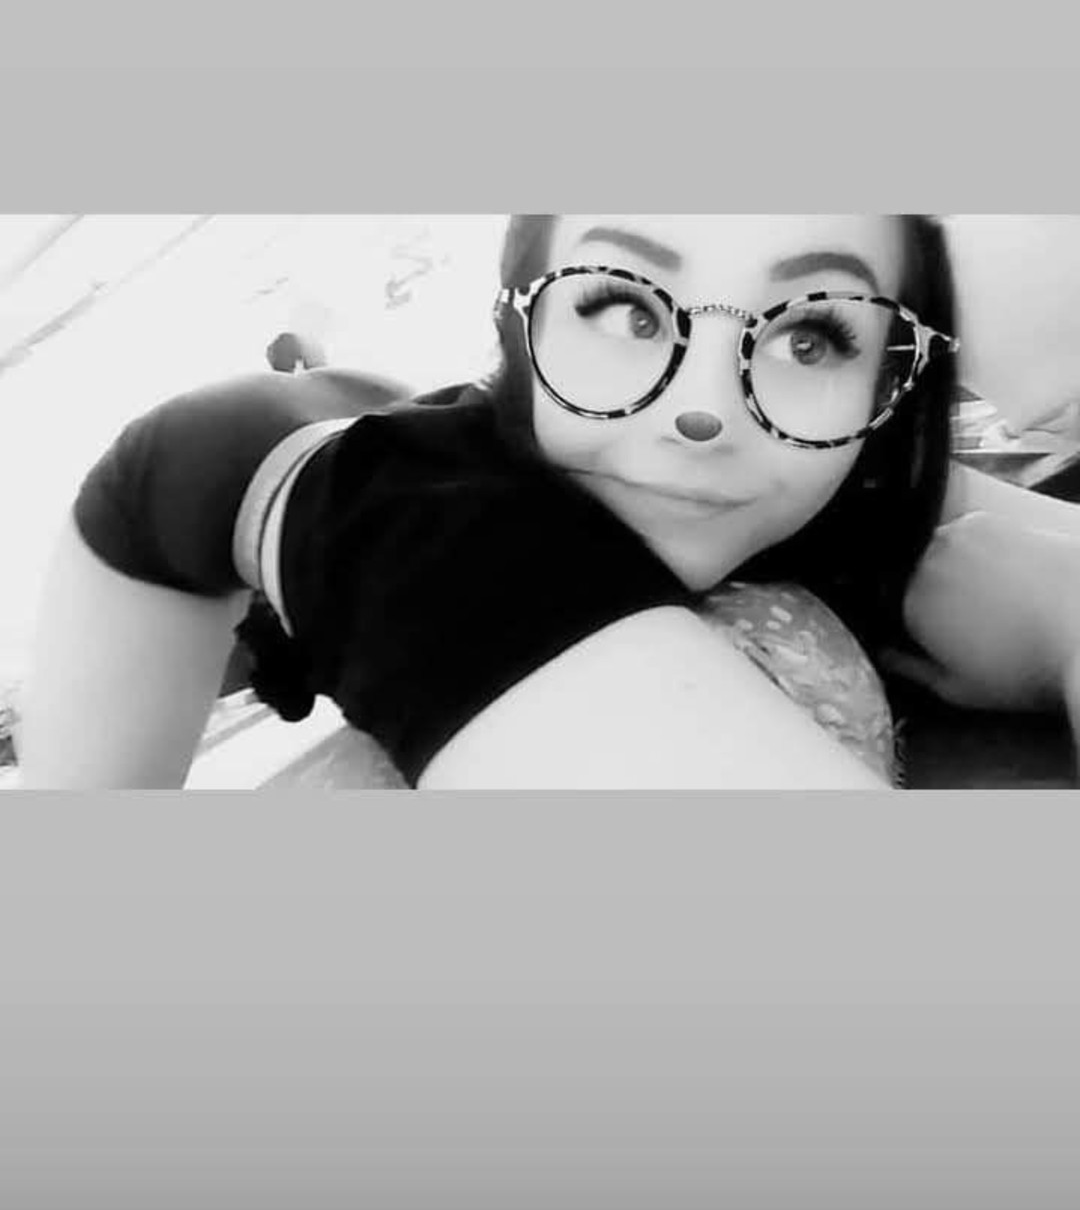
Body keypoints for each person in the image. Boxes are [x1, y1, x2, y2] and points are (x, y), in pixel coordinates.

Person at [12, 215, 1080, 789]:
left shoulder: (855, 447)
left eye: (812, 334)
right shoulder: (433, 527)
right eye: (623, 306)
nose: (703, 412)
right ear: (516, 323)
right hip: (213, 478)